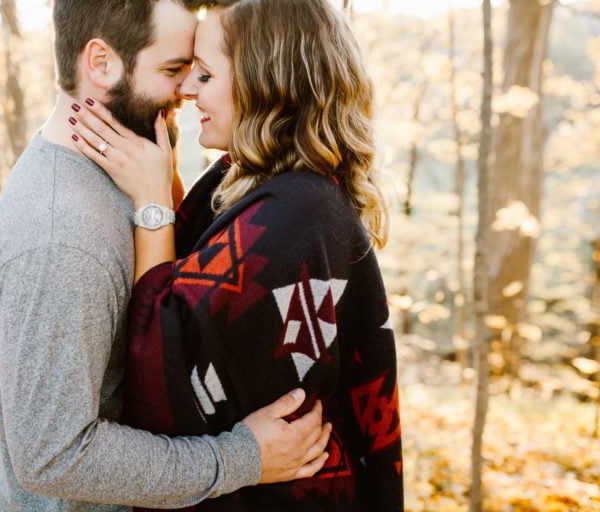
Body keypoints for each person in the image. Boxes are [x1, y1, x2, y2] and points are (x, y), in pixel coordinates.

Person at [0, 0, 332, 510]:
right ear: (101, 64)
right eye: (173, 69)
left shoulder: (128, 171)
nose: (189, 88)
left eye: (196, 70)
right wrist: (240, 459)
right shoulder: (58, 237)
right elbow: (52, 456)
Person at [68, 0, 404, 510]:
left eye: (204, 74)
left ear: (264, 80)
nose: (185, 89)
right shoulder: (260, 186)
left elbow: (162, 352)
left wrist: (153, 206)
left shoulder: (298, 211)